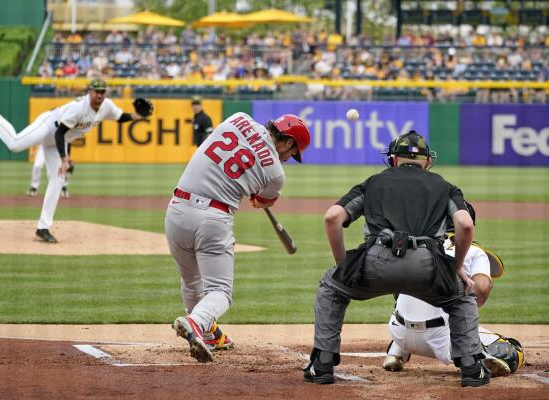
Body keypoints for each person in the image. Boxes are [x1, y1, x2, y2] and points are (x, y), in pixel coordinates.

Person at [304, 130, 490, 388]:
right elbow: (465, 225)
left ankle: (322, 364)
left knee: (331, 286)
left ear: (392, 159)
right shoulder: (444, 186)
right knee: (461, 297)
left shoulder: (372, 182)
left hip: (375, 262)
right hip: (427, 266)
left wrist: (341, 265)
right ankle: (472, 368)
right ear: (426, 161)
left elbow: (332, 218)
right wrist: (457, 267)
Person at [166, 113, 310, 363]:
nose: (288, 159)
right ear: (287, 142)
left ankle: (207, 333)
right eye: (292, 153)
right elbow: (261, 201)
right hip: (213, 218)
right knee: (221, 291)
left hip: (177, 210)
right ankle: (196, 322)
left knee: (191, 281)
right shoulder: (276, 174)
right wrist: (254, 192)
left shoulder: (239, 118)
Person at [0, 78, 150, 243]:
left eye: (102, 91)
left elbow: (119, 117)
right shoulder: (79, 107)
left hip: (57, 141)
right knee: (15, 144)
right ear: (89, 92)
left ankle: (43, 227)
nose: (100, 95)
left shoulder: (107, 106)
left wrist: (138, 116)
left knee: (58, 179)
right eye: (96, 91)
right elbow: (60, 132)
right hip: (48, 126)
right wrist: (64, 159)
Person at [383, 213, 523, 378]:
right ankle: (475, 355)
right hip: (444, 339)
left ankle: (397, 351)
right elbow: (482, 288)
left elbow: (395, 287)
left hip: (399, 332)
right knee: (513, 352)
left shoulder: (414, 243)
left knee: (410, 293)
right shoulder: (474, 250)